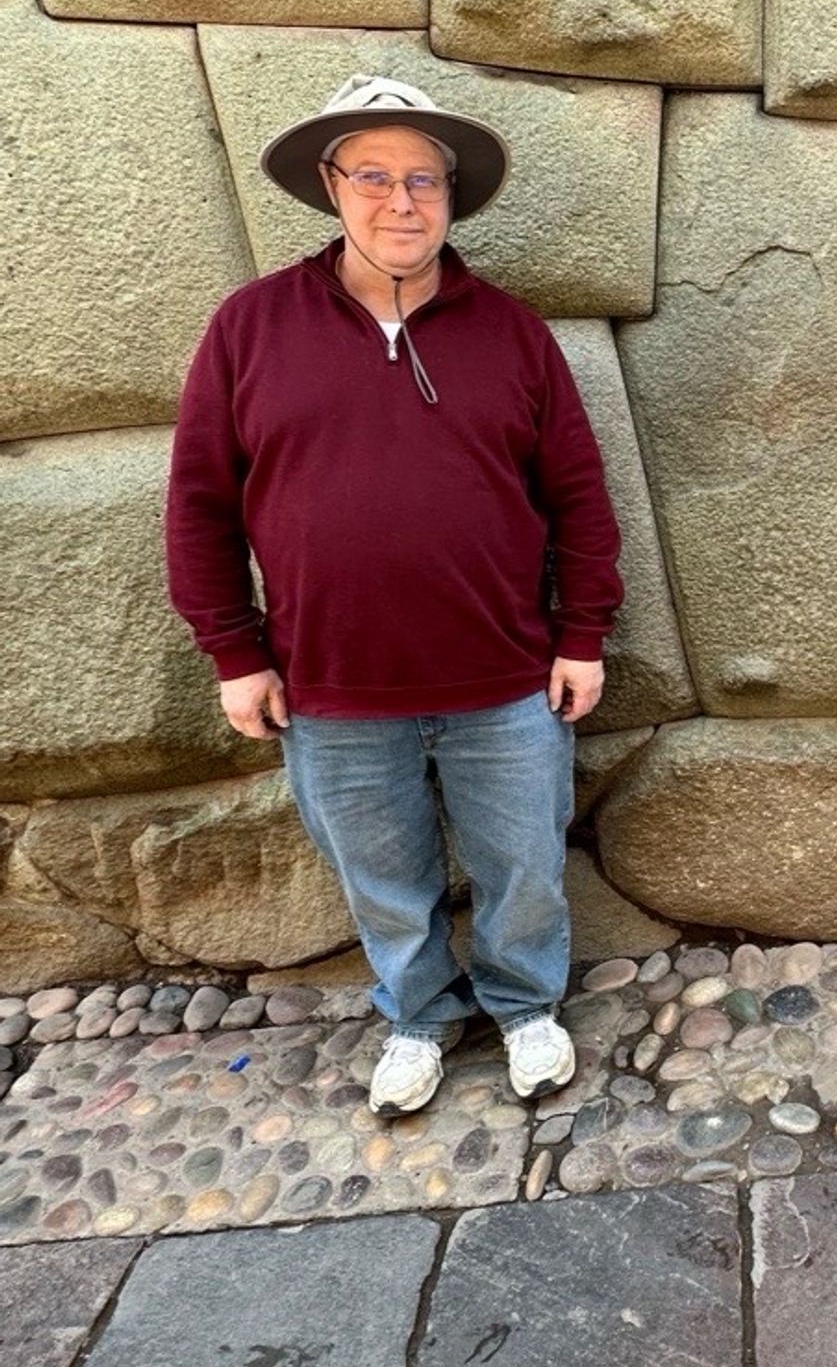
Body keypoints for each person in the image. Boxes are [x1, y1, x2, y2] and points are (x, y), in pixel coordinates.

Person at [167, 74, 623, 1115]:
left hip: (505, 675)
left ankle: (522, 1004)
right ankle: (419, 1012)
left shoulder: (510, 332)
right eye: (372, 174)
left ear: (450, 195)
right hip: (328, 684)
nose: (400, 200)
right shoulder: (249, 327)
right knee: (380, 876)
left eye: (423, 177)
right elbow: (199, 503)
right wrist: (234, 653)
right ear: (331, 186)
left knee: (524, 865)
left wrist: (582, 632)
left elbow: (578, 496)